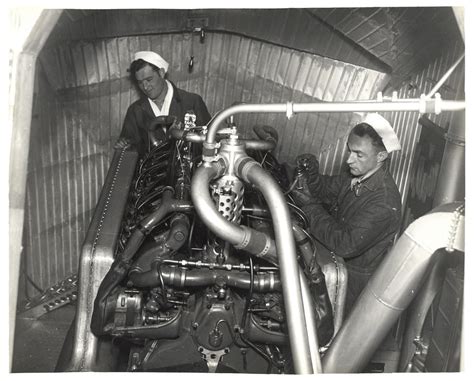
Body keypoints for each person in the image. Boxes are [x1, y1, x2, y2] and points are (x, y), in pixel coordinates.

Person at [291, 113, 402, 316]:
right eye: (349, 151)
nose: (349, 160)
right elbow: (326, 189)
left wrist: (308, 207)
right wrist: (311, 174)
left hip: (352, 287)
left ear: (381, 157)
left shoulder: (384, 203)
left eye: (359, 154)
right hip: (334, 269)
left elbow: (345, 243)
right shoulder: (358, 175)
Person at [116, 51, 211, 156]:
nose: (145, 87)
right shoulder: (135, 111)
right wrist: (124, 146)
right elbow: (131, 150)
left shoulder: (192, 102)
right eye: (140, 82)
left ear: (161, 72)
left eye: (149, 79)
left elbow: (209, 143)